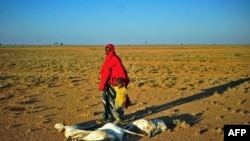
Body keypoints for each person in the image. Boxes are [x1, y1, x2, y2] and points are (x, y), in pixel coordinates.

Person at [97, 43, 130, 124]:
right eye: (106, 50)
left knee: (117, 101)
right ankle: (109, 117)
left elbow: (117, 71)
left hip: (115, 84)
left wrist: (103, 84)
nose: (107, 51)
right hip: (110, 84)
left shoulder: (114, 59)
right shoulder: (109, 58)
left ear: (112, 50)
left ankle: (117, 118)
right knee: (109, 101)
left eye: (108, 50)